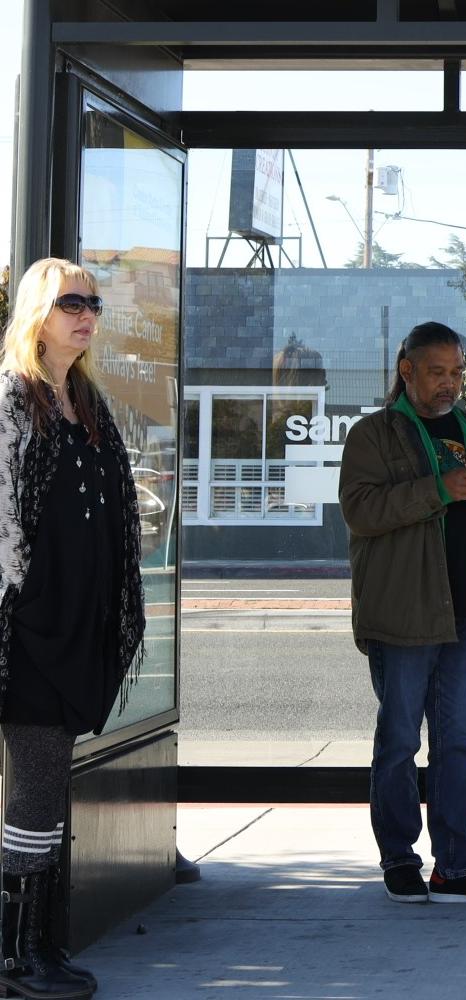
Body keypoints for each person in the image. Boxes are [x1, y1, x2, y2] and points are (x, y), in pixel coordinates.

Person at [340, 321, 466, 906]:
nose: (450, 383)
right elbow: (360, 512)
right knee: (399, 741)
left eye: (457, 372)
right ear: (407, 370)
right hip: (403, 615)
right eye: (437, 372)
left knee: (459, 743)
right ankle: (400, 859)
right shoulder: (373, 435)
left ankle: (456, 865)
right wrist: (440, 488)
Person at [0, 258, 147, 999]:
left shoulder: (84, 399)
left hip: (76, 624)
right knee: (35, 789)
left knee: (49, 789)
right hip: (27, 627)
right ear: (38, 313)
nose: (86, 314)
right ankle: (14, 957)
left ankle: (39, 946)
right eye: (71, 303)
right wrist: (20, 602)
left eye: (93, 302)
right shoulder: (11, 401)